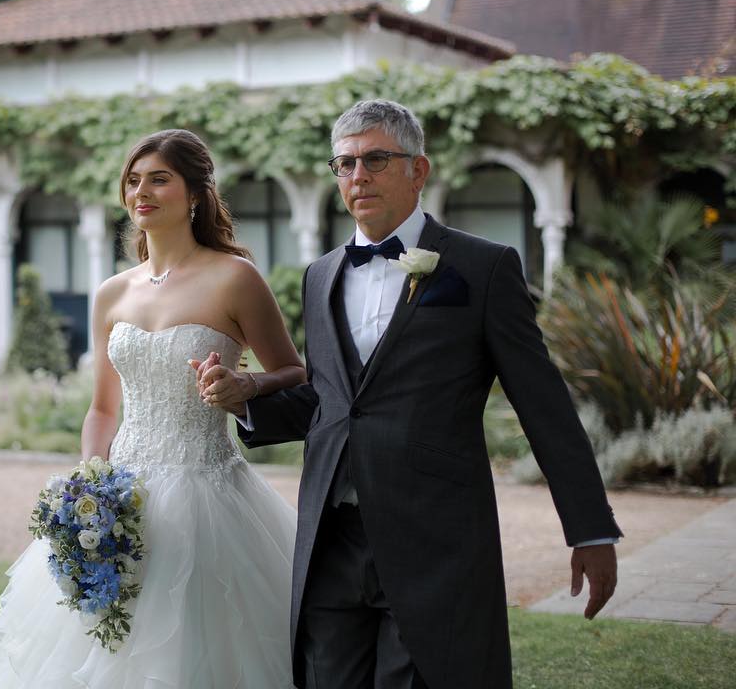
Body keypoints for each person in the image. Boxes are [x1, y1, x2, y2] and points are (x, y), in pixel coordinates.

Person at [194, 99, 622, 689]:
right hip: (331, 540)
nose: (358, 176)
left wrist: (590, 528)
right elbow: (331, 402)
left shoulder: (484, 267)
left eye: (375, 160)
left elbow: (544, 407)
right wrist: (244, 399)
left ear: (418, 170)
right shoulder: (320, 275)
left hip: (434, 540)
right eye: (344, 164)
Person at [0, 128, 306, 688]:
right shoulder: (112, 292)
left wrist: (245, 386)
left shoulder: (235, 278)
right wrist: (90, 485)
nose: (141, 192)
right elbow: (103, 410)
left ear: (196, 193)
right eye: (133, 181)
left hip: (209, 501)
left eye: (159, 179)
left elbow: (295, 372)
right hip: (120, 499)